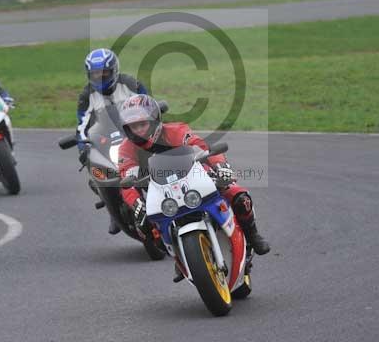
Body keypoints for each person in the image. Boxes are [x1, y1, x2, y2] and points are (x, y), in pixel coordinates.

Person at [118, 95, 270, 282]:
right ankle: (180, 256)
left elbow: (201, 147)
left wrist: (220, 167)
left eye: (142, 124)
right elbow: (126, 178)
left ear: (155, 120)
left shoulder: (176, 130)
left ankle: (252, 234)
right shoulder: (126, 148)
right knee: (144, 225)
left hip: (196, 177)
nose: (139, 130)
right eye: (134, 127)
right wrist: (137, 203)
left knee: (240, 197)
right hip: (160, 193)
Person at [76, 48, 147, 235]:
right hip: (107, 141)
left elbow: (150, 106)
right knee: (95, 172)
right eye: (95, 74)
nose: (100, 77)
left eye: (104, 72)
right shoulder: (86, 96)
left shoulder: (131, 84)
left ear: (114, 70)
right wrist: (83, 146)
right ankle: (112, 210)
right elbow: (81, 126)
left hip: (134, 136)